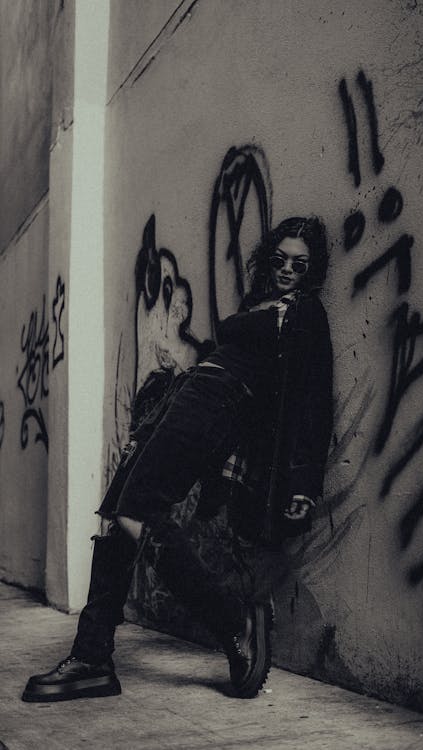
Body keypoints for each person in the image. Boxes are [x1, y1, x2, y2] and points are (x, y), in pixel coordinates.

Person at [22, 215, 333, 702]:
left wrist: (302, 482)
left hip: (218, 404)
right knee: (116, 518)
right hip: (187, 401)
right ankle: (91, 657)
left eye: (300, 263)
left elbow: (312, 400)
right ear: (267, 260)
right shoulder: (260, 305)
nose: (287, 269)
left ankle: (233, 623)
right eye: (280, 259)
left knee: (133, 512)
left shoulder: (307, 314)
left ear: (312, 270)